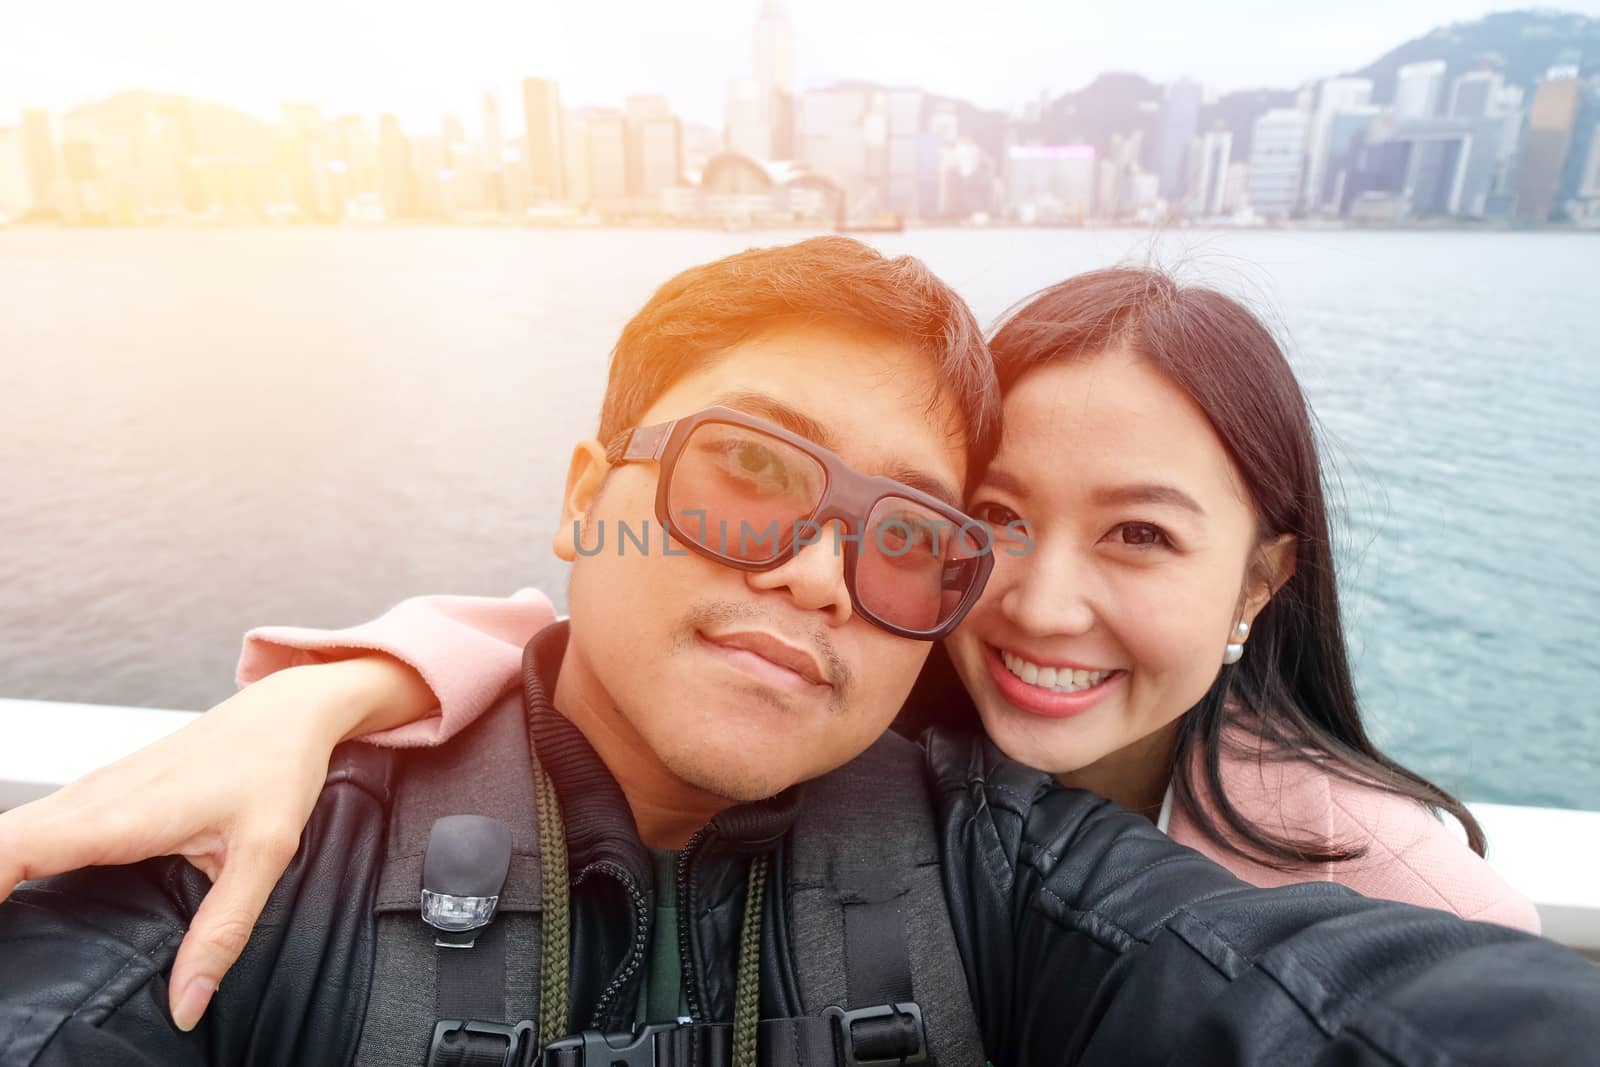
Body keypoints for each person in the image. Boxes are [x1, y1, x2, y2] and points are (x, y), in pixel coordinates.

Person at [0, 239, 1595, 1067]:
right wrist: (344, 693)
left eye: (911, 539)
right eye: (749, 474)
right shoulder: (256, 873)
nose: (830, 576)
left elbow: (1311, 1004)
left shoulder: (1001, 861)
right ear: (587, 498)